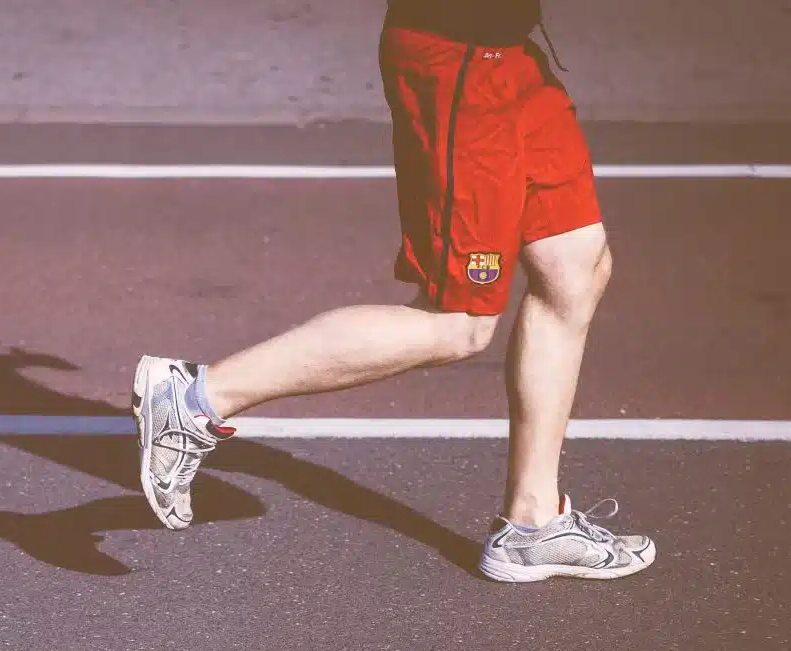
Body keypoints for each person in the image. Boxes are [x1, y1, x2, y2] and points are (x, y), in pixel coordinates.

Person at [131, 0, 656, 583]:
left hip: (509, 56)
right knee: (459, 322)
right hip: (460, 57)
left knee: (574, 265)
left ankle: (532, 524)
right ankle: (196, 400)